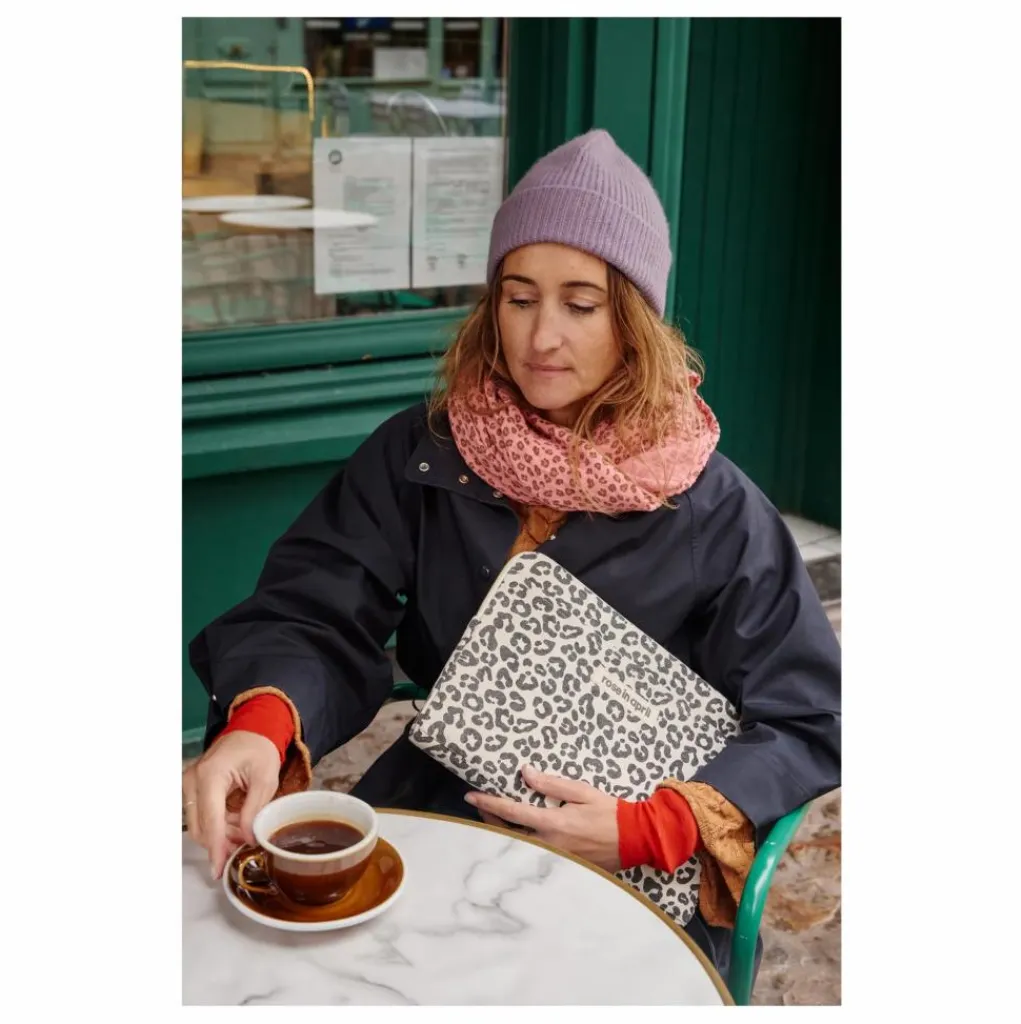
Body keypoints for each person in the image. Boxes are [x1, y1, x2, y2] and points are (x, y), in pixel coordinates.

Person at [183, 129, 841, 979]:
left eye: (581, 303)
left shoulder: (717, 508)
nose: (541, 337)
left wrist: (655, 827)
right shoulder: (424, 452)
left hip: (625, 859)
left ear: (634, 318)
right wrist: (263, 722)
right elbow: (314, 608)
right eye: (519, 297)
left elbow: (809, 715)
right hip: (442, 806)